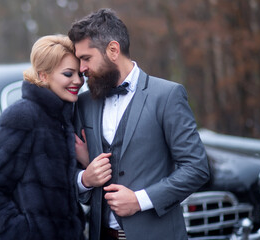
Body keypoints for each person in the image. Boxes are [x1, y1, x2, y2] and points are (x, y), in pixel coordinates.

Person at [69, 8, 210, 240]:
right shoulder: (83, 103)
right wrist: (84, 179)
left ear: (113, 50)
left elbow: (196, 168)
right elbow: (67, 171)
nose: (81, 69)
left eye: (86, 58)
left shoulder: (167, 96)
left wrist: (139, 200)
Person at [0, 35, 86, 240]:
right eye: (69, 73)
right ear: (43, 76)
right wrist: (21, 234)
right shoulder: (23, 116)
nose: (78, 81)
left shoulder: (65, 117)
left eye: (80, 74)